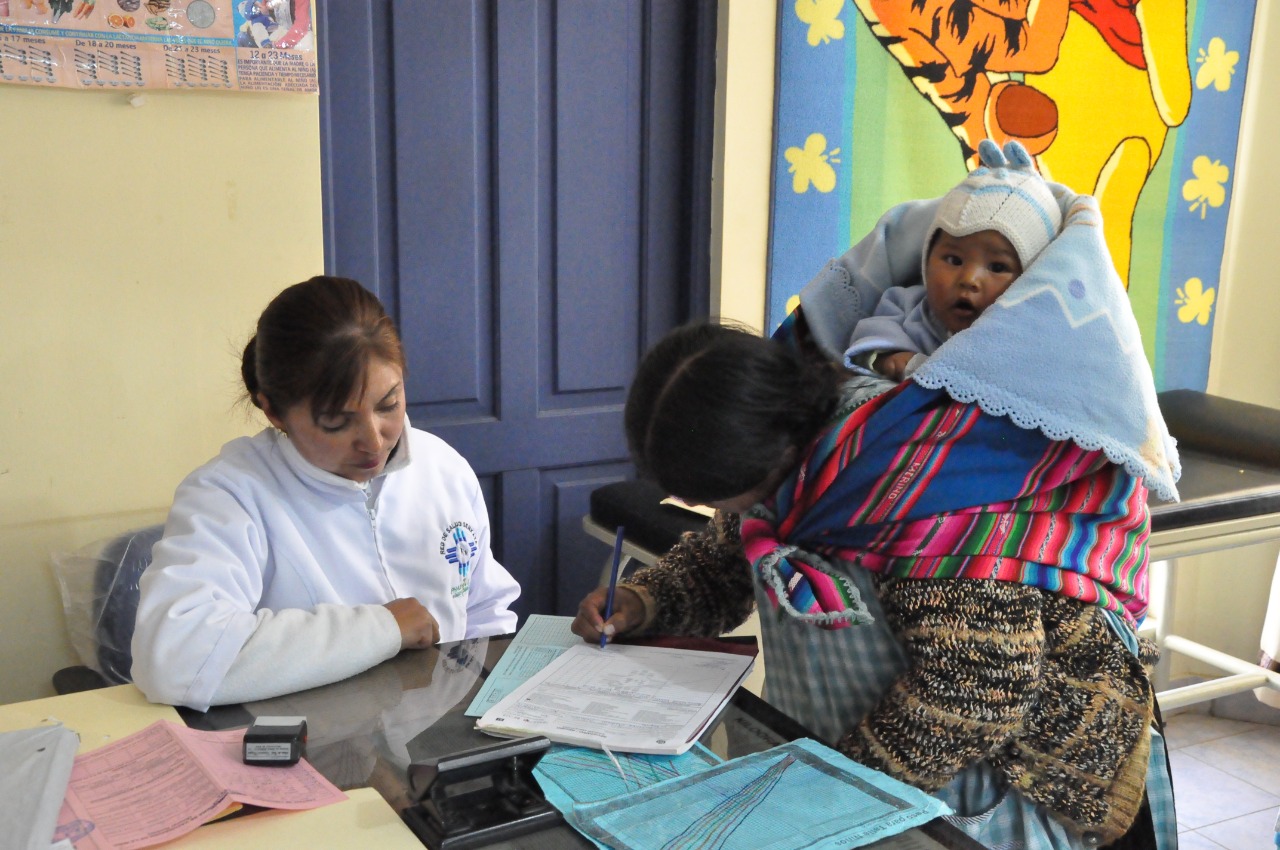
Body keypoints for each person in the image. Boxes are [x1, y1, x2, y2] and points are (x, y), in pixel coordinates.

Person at [574, 323, 1173, 849]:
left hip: (974, 793)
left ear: (768, 457)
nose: (702, 507)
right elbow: (723, 558)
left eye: (709, 495)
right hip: (853, 767)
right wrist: (642, 601)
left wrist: (830, 795)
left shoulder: (920, 497)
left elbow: (975, 693)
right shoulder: (793, 467)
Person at [131, 275, 520, 711]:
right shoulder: (230, 494)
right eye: (336, 422)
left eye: (388, 404)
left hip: (442, 742)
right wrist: (380, 628)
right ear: (274, 411)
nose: (373, 441)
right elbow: (176, 659)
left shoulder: (443, 469)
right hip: (314, 753)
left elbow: (486, 610)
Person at [844, 140, 1062, 381]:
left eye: (998, 267)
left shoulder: (1027, 340)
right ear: (927, 258)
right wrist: (892, 355)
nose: (969, 279)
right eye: (954, 259)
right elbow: (872, 339)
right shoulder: (908, 307)